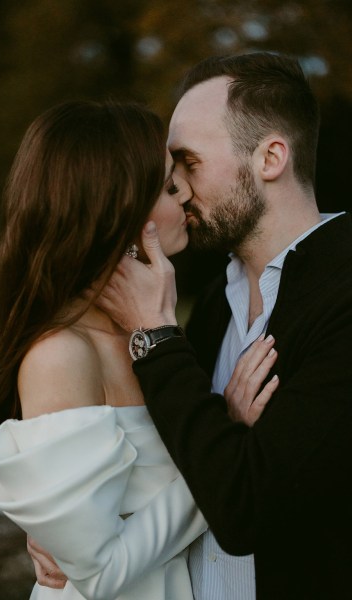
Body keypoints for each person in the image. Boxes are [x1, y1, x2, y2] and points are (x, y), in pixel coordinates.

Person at [0, 99, 278, 600]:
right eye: (171, 186)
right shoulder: (62, 354)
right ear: (119, 205)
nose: (188, 198)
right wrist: (230, 442)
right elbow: (98, 572)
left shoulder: (154, 333)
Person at [96, 52, 352, 600]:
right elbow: (187, 462)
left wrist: (158, 341)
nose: (179, 190)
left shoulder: (345, 293)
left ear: (271, 157)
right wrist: (76, 529)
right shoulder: (217, 299)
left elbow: (247, 512)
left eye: (189, 162)